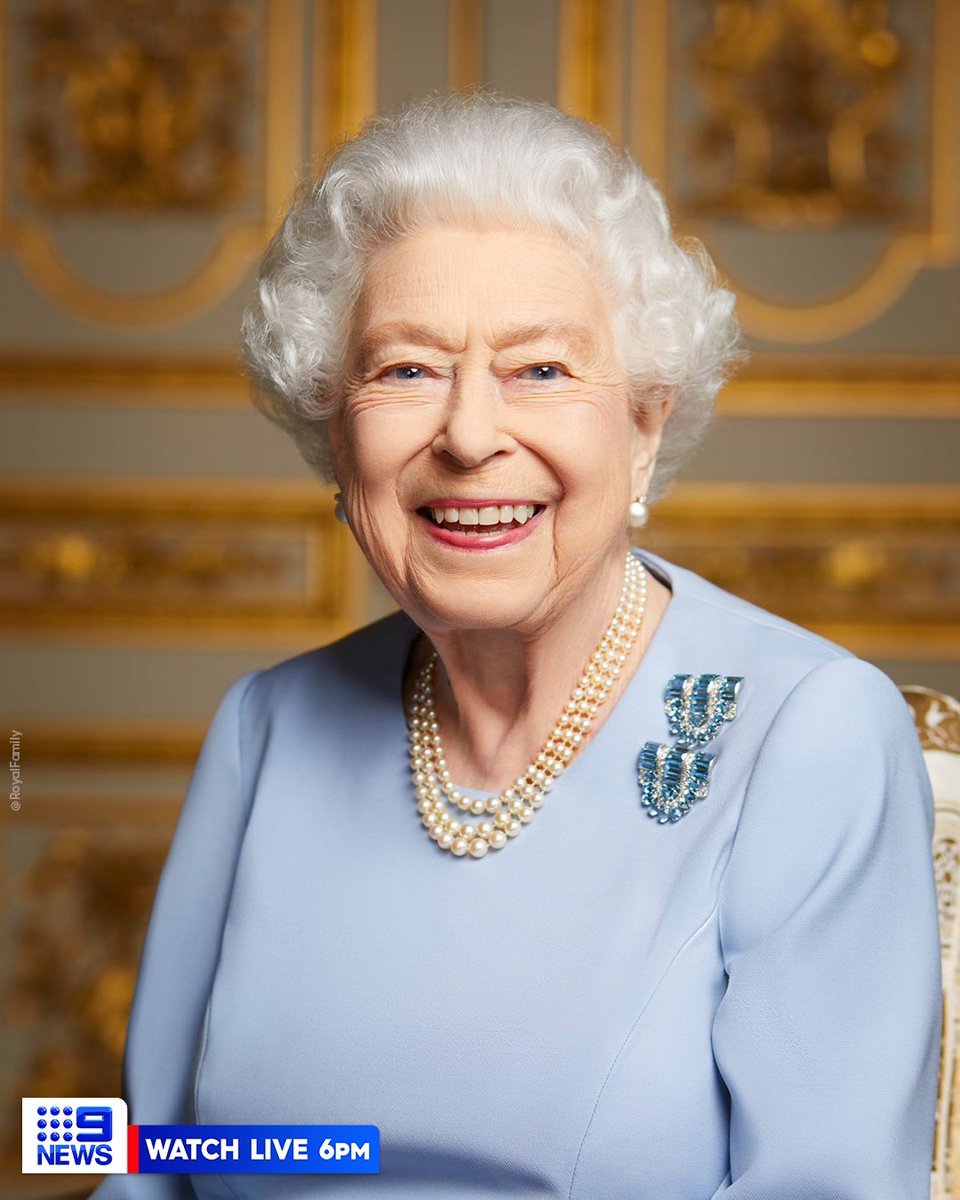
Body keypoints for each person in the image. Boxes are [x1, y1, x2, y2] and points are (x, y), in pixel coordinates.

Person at [92, 91, 942, 1199]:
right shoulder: (266, 725)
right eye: (406, 369)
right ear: (334, 430)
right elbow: (149, 1163)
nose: (471, 434)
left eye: (539, 369)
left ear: (642, 428)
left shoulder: (812, 732)